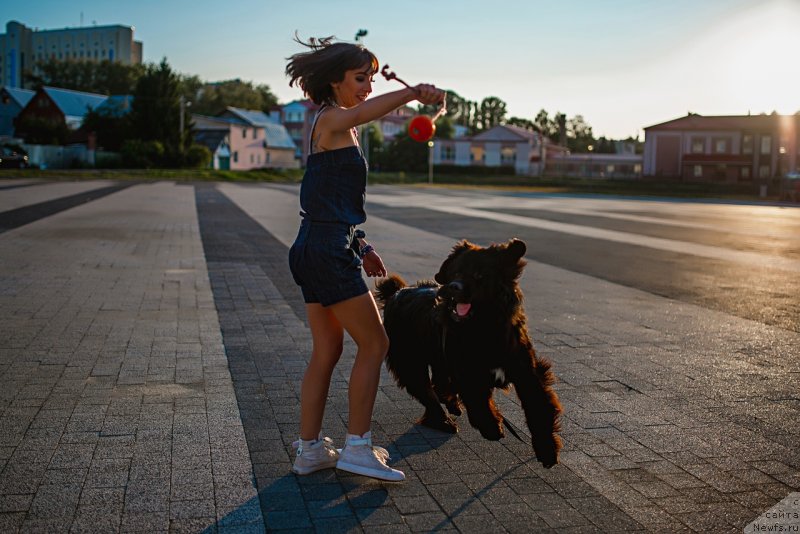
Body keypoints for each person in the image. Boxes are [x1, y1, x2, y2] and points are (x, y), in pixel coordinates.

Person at [285, 35, 444, 481]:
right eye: (360, 78)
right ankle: (357, 448)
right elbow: (360, 114)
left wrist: (362, 245)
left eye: (371, 79)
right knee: (376, 344)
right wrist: (412, 94)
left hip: (318, 244)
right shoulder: (333, 118)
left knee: (328, 349)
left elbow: (329, 200)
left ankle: (310, 450)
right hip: (324, 250)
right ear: (334, 80)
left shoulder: (338, 125)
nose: (368, 87)